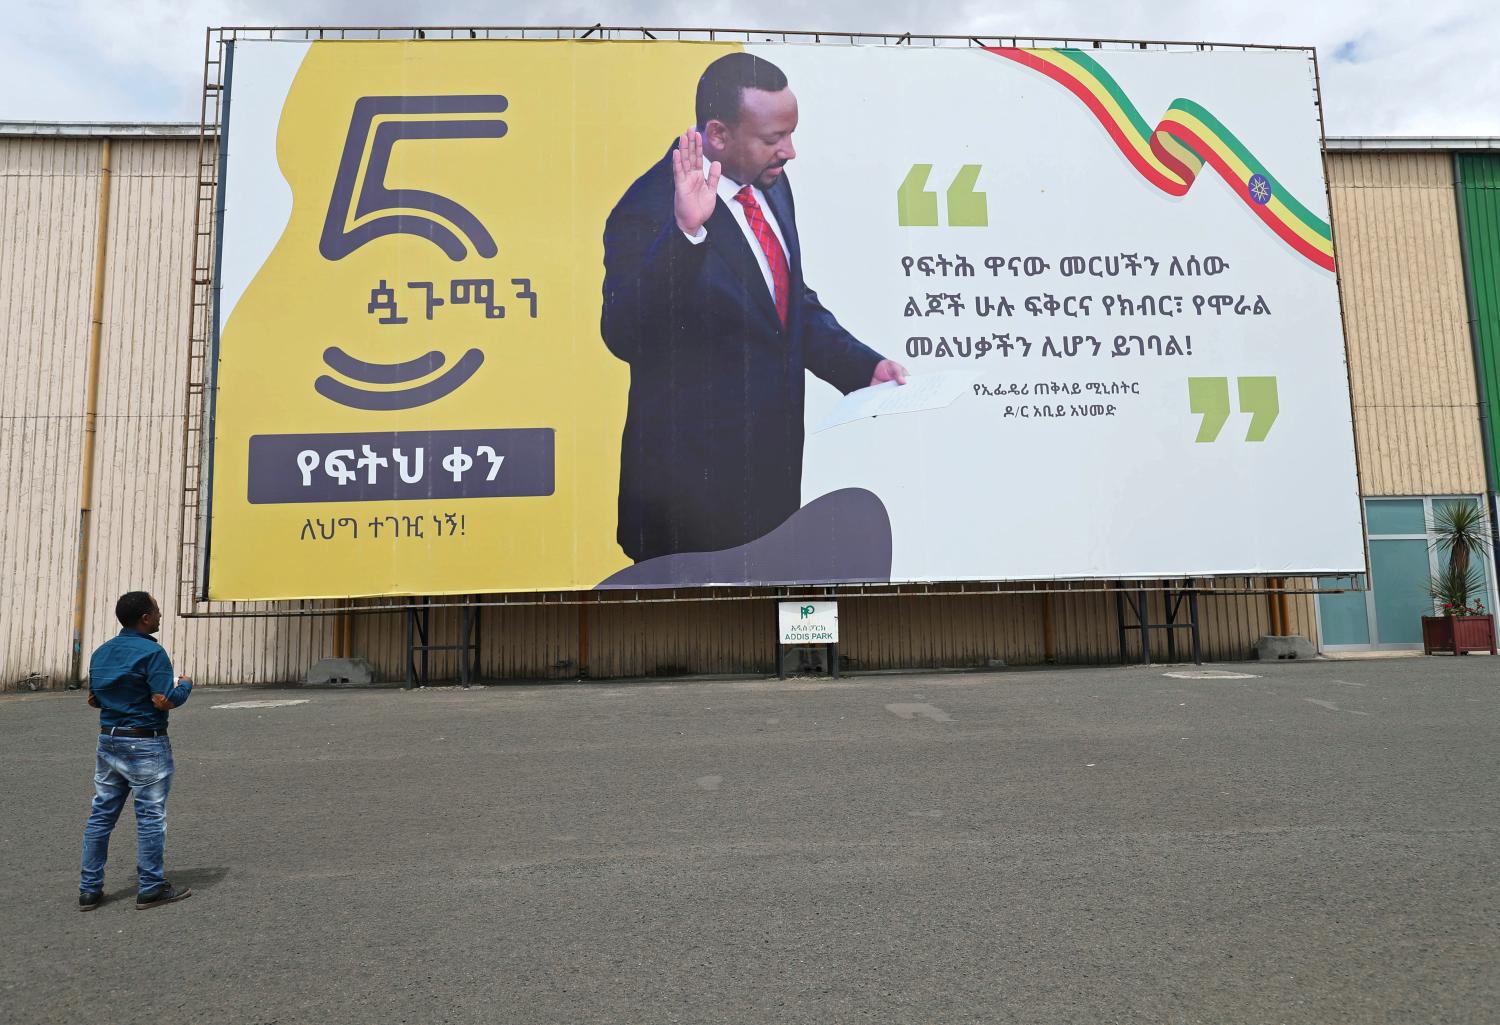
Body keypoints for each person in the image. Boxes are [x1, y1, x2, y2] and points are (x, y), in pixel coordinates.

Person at [601, 52, 908, 564]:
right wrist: (686, 235)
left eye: (790, 133)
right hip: (687, 518)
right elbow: (625, 334)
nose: (789, 151)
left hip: (772, 498)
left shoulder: (768, 182)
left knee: (768, 640)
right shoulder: (647, 206)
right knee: (698, 645)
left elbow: (786, 307)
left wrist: (863, 366)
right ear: (717, 135)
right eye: (773, 138)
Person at [78, 591, 194, 911]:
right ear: (145, 618)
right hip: (145, 743)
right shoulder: (152, 653)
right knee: (149, 817)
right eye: (156, 610)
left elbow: (93, 700)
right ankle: (151, 887)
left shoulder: (101, 653)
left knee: (101, 816)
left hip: (109, 741)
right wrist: (184, 685)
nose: (159, 615)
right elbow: (163, 700)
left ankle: (89, 889)